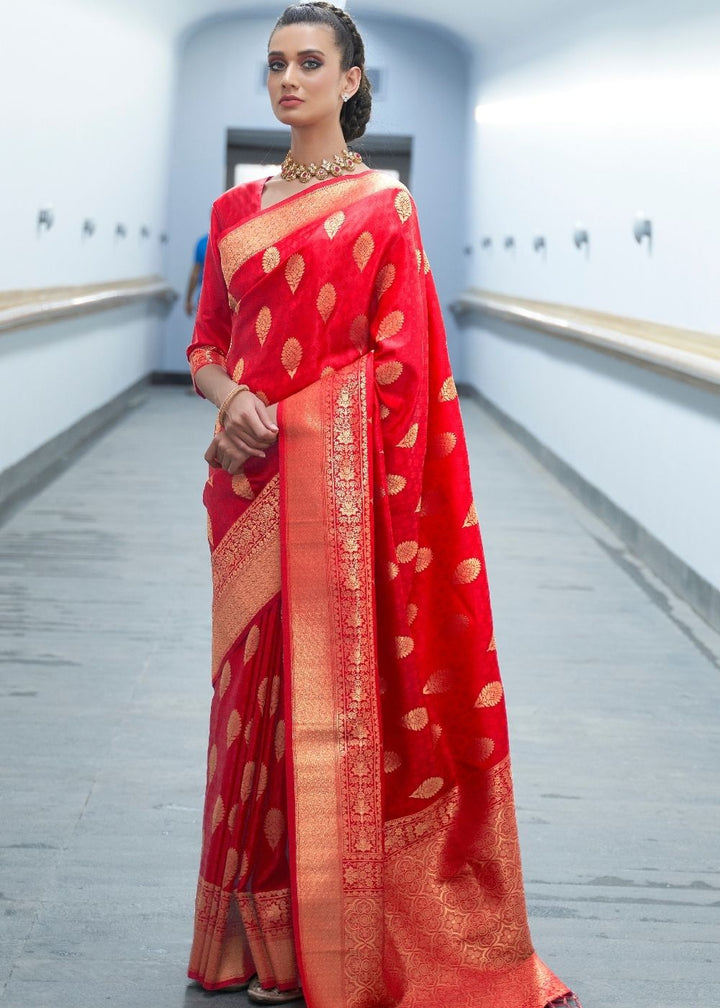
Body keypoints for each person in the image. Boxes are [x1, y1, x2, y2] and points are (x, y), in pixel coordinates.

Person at [186, 4, 581, 1007]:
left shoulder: (382, 210)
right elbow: (204, 346)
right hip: (248, 491)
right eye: (275, 63)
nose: (288, 79)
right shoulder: (234, 216)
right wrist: (232, 400)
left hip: (339, 498)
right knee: (248, 707)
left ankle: (323, 944)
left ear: (350, 82)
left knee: (325, 705)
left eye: (310, 62)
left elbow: (403, 369)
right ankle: (253, 939)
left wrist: (299, 418)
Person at [185, 232, 209, 316]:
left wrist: (188, 300)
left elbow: (195, 274)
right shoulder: (203, 243)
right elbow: (195, 274)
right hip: (207, 300)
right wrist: (188, 300)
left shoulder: (203, 243)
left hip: (206, 300)